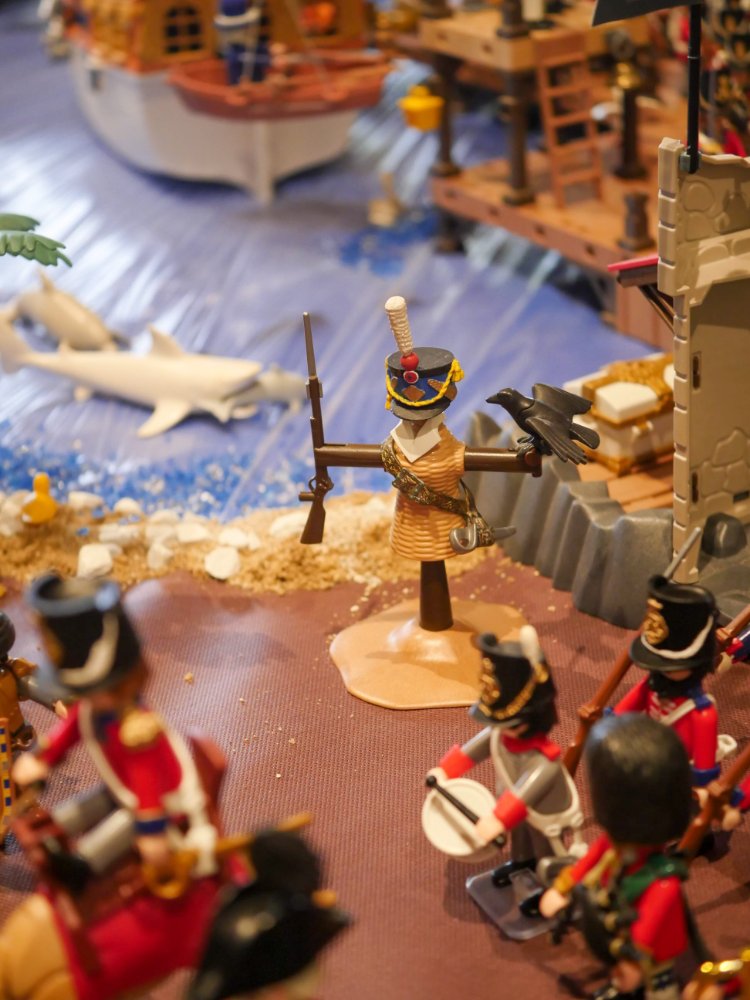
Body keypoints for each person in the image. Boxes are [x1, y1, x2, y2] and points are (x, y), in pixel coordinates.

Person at [12, 573, 216, 892]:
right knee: (67, 816)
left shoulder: (137, 732)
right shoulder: (93, 708)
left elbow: (147, 787)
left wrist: (152, 832)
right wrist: (41, 759)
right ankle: (54, 837)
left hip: (161, 804)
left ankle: (83, 866)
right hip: (121, 789)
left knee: (115, 831)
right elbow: (70, 731)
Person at [541, 714, 707, 1000]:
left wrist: (632, 961)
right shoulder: (613, 844)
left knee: (661, 987)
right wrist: (563, 887)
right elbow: (588, 863)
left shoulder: (663, 881)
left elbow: (648, 927)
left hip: (653, 950)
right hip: (617, 923)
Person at [427, 625, 585, 893]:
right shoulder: (498, 734)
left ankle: (548, 885)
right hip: (512, 807)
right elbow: (471, 751)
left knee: (544, 846)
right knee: (520, 835)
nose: (500, 729)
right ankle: (521, 862)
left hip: (543, 812)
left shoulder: (546, 760)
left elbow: (526, 793)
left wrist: (499, 819)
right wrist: (446, 770)